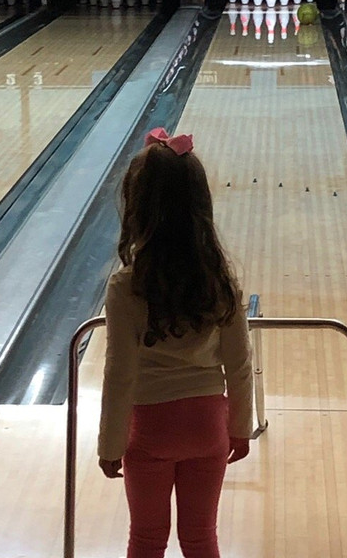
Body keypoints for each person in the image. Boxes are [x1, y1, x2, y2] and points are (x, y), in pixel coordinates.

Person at [98, 127, 253, 558]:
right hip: (208, 426)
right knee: (201, 538)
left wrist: (110, 446)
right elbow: (240, 364)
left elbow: (119, 374)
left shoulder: (126, 286)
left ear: (137, 207)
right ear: (201, 205)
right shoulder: (221, 281)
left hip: (150, 428)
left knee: (147, 539)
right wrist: (241, 428)